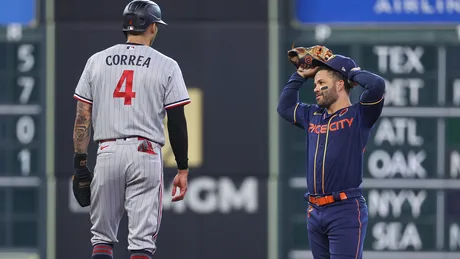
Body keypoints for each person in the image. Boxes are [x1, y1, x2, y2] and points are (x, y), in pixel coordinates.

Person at [71, 1, 190, 258]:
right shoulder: (167, 65)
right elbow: (177, 121)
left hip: (107, 152)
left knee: (101, 239)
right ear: (152, 27)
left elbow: (83, 117)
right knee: (141, 243)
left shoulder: (97, 61)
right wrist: (182, 167)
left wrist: (80, 163)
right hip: (144, 153)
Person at [277, 53, 386, 259]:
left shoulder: (359, 115)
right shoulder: (312, 115)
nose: (315, 87)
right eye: (315, 83)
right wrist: (300, 74)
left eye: (321, 82)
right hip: (315, 210)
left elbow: (376, 85)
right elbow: (284, 107)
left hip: (345, 210)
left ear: (339, 85)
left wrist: (350, 72)